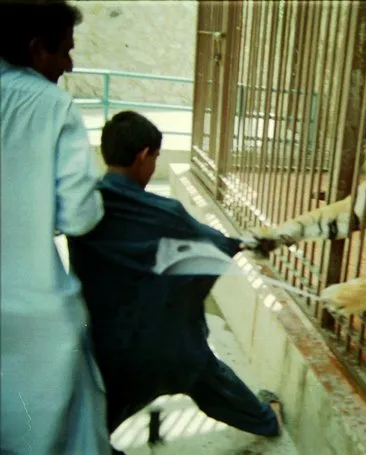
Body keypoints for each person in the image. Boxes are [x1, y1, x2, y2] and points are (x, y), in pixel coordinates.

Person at [66, 111, 285, 446]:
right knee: (206, 375)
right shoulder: (166, 213)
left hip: (108, 353)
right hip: (173, 351)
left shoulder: (84, 208)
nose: (153, 165)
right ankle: (267, 419)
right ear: (143, 155)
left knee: (90, 428)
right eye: (155, 157)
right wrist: (244, 243)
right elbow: (214, 247)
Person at [0, 1, 111, 454]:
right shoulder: (53, 105)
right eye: (64, 50)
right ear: (35, 48)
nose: (70, 63)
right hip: (34, 307)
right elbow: (78, 216)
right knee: (70, 430)